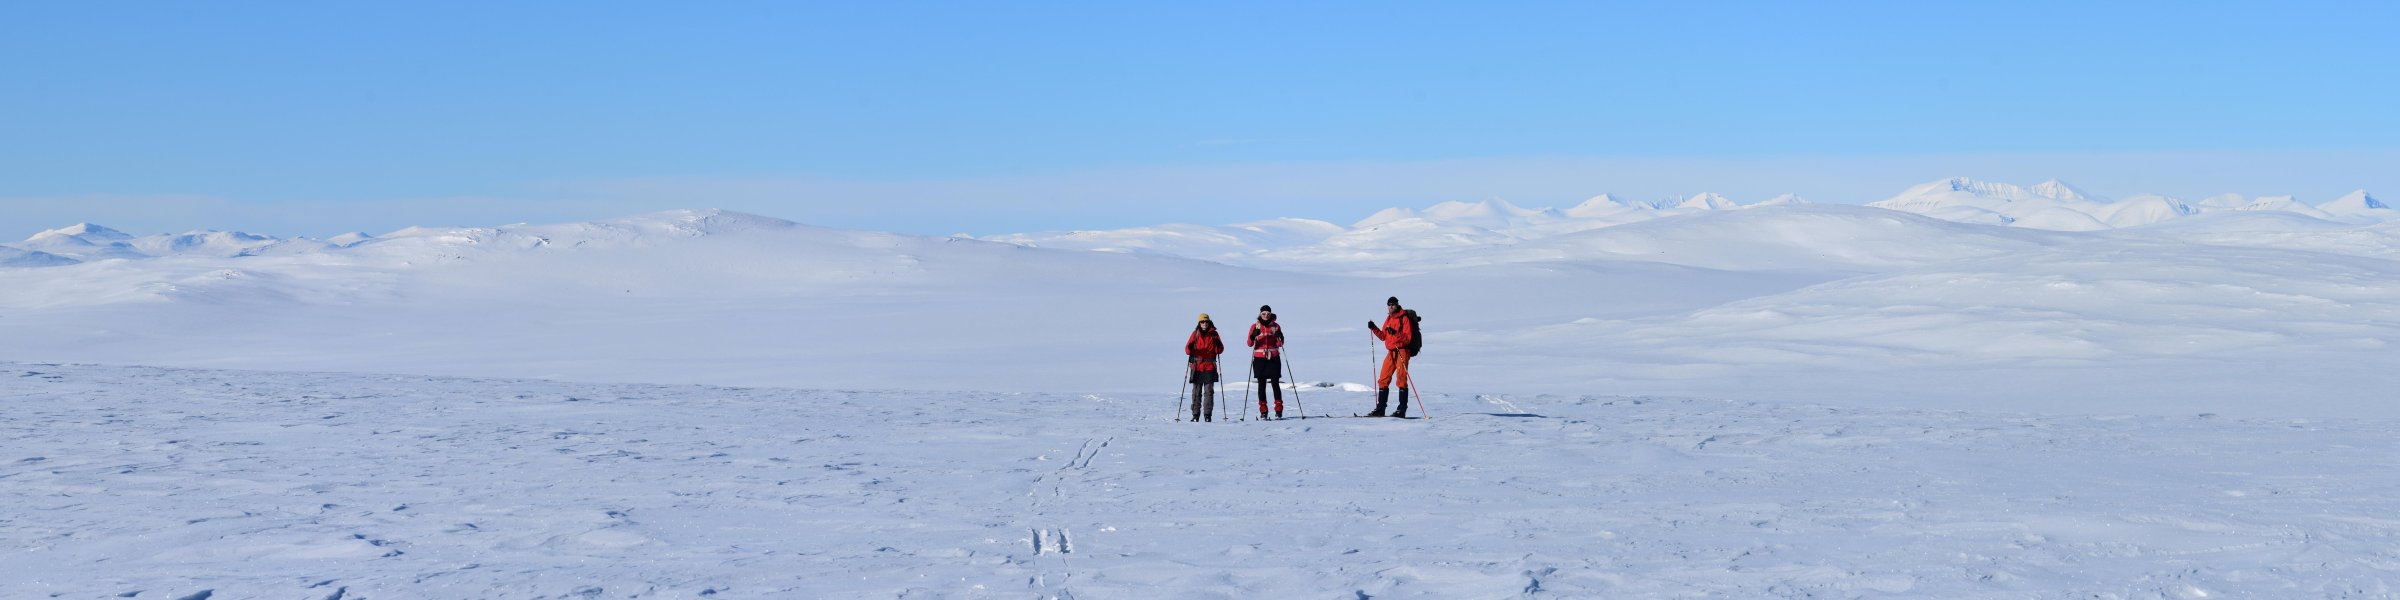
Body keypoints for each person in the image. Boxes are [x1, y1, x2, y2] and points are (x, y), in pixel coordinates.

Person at [1365, 296, 1417, 418]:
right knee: (1383, 378)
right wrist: (1374, 328)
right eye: (1389, 304)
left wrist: (1396, 334)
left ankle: (1401, 410)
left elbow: (1408, 338)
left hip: (1402, 351)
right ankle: (1380, 409)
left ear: (1397, 305)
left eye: (1393, 304)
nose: (1390, 306)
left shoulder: (1404, 318)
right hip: (1391, 352)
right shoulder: (1388, 319)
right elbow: (1384, 336)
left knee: (1401, 379)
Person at [1247, 305, 1286, 420]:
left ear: (1270, 314)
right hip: (1259, 358)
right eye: (1263, 314)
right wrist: (1253, 335)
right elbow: (1249, 344)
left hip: (1273, 357)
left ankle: (1278, 410)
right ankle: (1263, 411)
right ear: (1260, 314)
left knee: (1275, 384)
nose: (1266, 316)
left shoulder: (1275, 326)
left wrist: (1280, 337)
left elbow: (1280, 344)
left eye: (1268, 314)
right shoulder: (1255, 326)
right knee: (1261, 385)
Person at [1185, 314, 1226, 422]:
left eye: (1206, 322)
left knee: (1209, 392)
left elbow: (1220, 350)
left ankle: (1207, 415)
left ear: (1209, 322)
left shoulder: (1214, 334)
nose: (1204, 324)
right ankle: (1195, 414)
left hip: (1209, 366)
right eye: (1202, 322)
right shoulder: (1195, 334)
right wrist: (1190, 347)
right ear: (1199, 323)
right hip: (1197, 366)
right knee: (1196, 392)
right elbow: (1187, 350)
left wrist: (1218, 344)